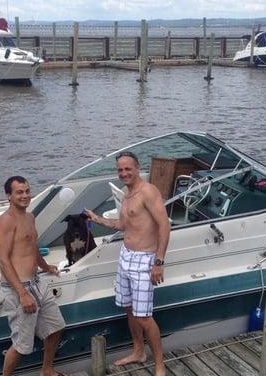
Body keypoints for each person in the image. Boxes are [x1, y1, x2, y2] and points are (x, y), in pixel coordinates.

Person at [86, 151, 170, 376]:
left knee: (144, 316)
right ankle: (138, 351)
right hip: (126, 257)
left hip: (145, 259)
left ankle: (160, 365)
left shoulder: (148, 192)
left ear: (137, 167)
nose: (123, 173)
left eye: (127, 169)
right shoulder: (126, 193)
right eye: (120, 169)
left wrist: (158, 262)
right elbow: (123, 225)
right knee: (128, 307)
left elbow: (164, 225)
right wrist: (98, 219)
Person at [0, 176, 66, 376]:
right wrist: (22, 293)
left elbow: (31, 246)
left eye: (27, 191)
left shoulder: (29, 217)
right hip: (18, 288)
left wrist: (45, 266)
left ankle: (47, 370)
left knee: (56, 328)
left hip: (37, 283)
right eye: (19, 192)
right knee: (21, 345)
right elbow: (3, 261)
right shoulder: (5, 222)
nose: (25, 195)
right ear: (9, 196)